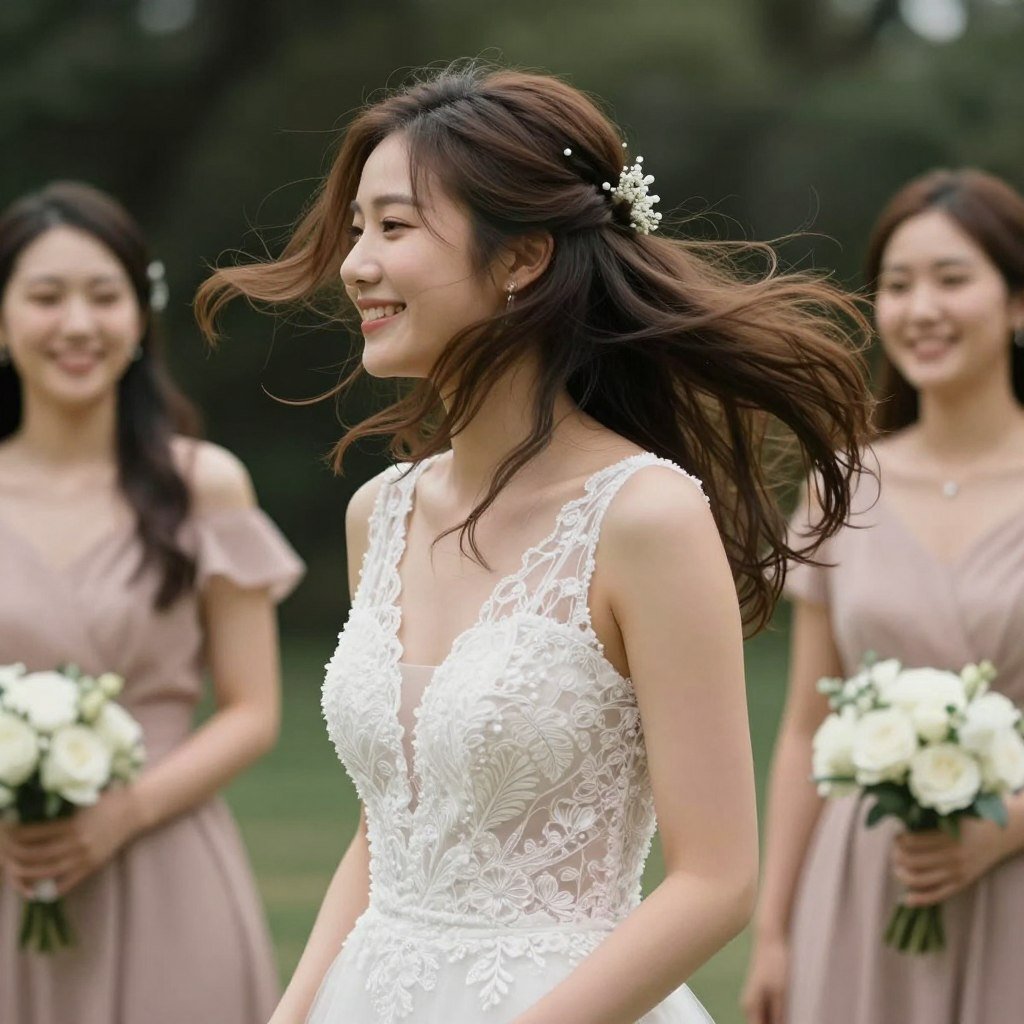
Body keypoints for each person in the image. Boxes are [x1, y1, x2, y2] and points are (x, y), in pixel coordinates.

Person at [197, 63, 870, 1024]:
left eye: (393, 227)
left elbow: (716, 881)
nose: (355, 264)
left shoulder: (645, 517)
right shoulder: (379, 515)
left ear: (521, 259)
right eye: (356, 231)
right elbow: (387, 838)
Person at [0, 181, 304, 1024]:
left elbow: (253, 711)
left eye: (105, 296)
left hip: (168, 865)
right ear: (2, 319)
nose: (77, 325)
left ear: (140, 318)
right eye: (46, 296)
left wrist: (118, 816)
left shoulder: (204, 484)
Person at [742, 168, 1024, 1024]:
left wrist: (1005, 828)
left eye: (951, 279)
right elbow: (805, 730)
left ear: (1016, 303)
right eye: (897, 286)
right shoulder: (842, 490)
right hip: (863, 879)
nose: (920, 309)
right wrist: (774, 932)